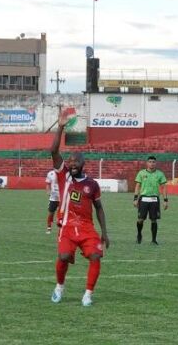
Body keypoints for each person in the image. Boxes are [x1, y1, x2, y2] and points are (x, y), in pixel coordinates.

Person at [50, 110, 110, 306]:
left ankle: (88, 294)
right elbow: (53, 151)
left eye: (76, 161)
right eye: (70, 161)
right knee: (64, 256)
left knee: (96, 256)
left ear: (83, 163)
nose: (72, 164)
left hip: (87, 228)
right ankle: (59, 287)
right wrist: (60, 126)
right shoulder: (63, 175)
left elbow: (99, 208)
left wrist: (104, 233)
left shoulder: (92, 184)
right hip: (67, 226)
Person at [133, 156, 169, 245]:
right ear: (147, 163)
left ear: (155, 163)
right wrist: (135, 198)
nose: (151, 163)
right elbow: (137, 186)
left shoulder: (160, 174)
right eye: (150, 161)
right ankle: (139, 234)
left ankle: (154, 240)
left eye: (153, 162)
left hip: (154, 199)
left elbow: (164, 187)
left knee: (154, 220)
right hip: (143, 199)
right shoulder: (141, 173)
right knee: (140, 219)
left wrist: (165, 200)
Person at [45, 169, 60, 234]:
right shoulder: (50, 173)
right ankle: (49, 228)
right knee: (51, 213)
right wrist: (48, 191)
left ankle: (61, 229)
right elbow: (48, 184)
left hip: (62, 198)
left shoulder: (65, 173)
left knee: (61, 213)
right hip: (53, 198)